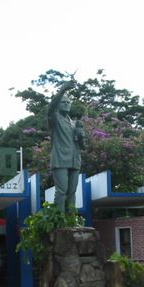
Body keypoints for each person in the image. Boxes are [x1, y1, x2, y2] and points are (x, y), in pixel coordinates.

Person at [47, 80, 85, 212]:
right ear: (58, 104)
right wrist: (62, 90)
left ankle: (71, 219)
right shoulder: (55, 118)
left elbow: (82, 146)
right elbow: (51, 107)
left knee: (72, 192)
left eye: (69, 102)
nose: (67, 104)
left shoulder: (74, 123)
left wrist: (81, 136)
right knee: (61, 190)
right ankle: (60, 221)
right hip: (60, 158)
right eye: (64, 102)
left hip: (75, 159)